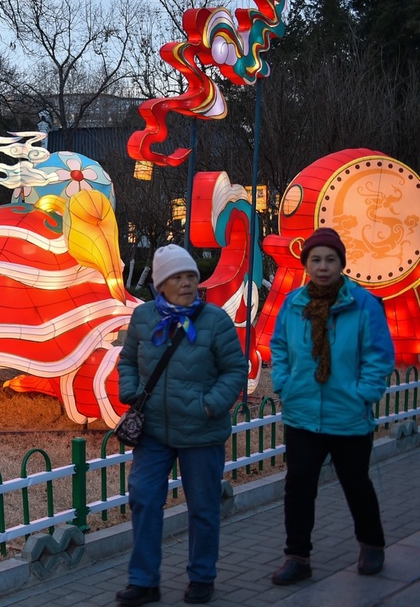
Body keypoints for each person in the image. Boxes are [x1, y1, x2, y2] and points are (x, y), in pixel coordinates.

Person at [115, 244, 247, 606]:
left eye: (190, 275)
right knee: (143, 498)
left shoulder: (215, 320)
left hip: (201, 433)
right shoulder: (143, 318)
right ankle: (144, 581)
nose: (187, 283)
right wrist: (130, 390)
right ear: (160, 284)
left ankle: (202, 576)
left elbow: (235, 369)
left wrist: (210, 406)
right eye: (177, 277)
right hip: (154, 431)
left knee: (203, 506)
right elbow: (126, 360)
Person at [269, 227, 394, 585]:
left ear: (341, 263)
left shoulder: (363, 303)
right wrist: (284, 383)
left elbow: (379, 355)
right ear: (306, 264)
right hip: (302, 413)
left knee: (355, 483)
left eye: (330, 259)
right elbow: (279, 346)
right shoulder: (294, 305)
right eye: (315, 259)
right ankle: (297, 556)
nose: (322, 266)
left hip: (348, 414)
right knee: (299, 487)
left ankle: (371, 543)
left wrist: (364, 393)